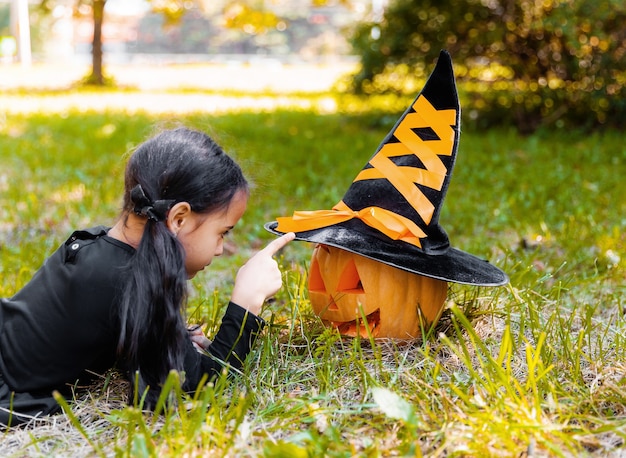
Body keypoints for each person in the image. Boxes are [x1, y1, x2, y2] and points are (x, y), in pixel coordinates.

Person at [0, 127, 294, 427]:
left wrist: (169, 335)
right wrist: (245, 305)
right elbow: (200, 386)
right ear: (179, 219)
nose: (220, 249)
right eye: (222, 233)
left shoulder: (104, 248)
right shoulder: (126, 280)